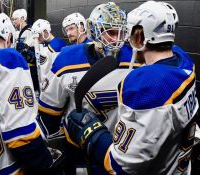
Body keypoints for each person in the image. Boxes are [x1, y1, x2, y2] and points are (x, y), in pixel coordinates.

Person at [63, 1, 200, 174]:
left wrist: (91, 132)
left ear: (140, 37)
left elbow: (120, 166)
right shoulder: (184, 62)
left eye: (128, 32)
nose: (124, 39)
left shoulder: (148, 85)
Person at [38, 2, 137, 175]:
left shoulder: (136, 58)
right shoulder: (67, 59)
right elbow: (49, 115)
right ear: (94, 31)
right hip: (80, 151)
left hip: (121, 150)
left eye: (122, 32)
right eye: (111, 32)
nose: (117, 39)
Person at [0, 14, 60, 175]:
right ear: (9, 36)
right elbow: (20, 132)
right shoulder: (9, 59)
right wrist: (45, 163)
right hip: (12, 167)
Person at [31, 19, 66, 91]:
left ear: (45, 32)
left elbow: (46, 67)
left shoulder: (56, 44)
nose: (37, 37)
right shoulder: (47, 44)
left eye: (39, 34)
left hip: (53, 83)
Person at [12, 8, 40, 92]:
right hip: (23, 66)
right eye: (13, 19)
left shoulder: (31, 31)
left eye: (15, 19)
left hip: (31, 67)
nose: (14, 21)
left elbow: (34, 51)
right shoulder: (18, 32)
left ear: (23, 19)